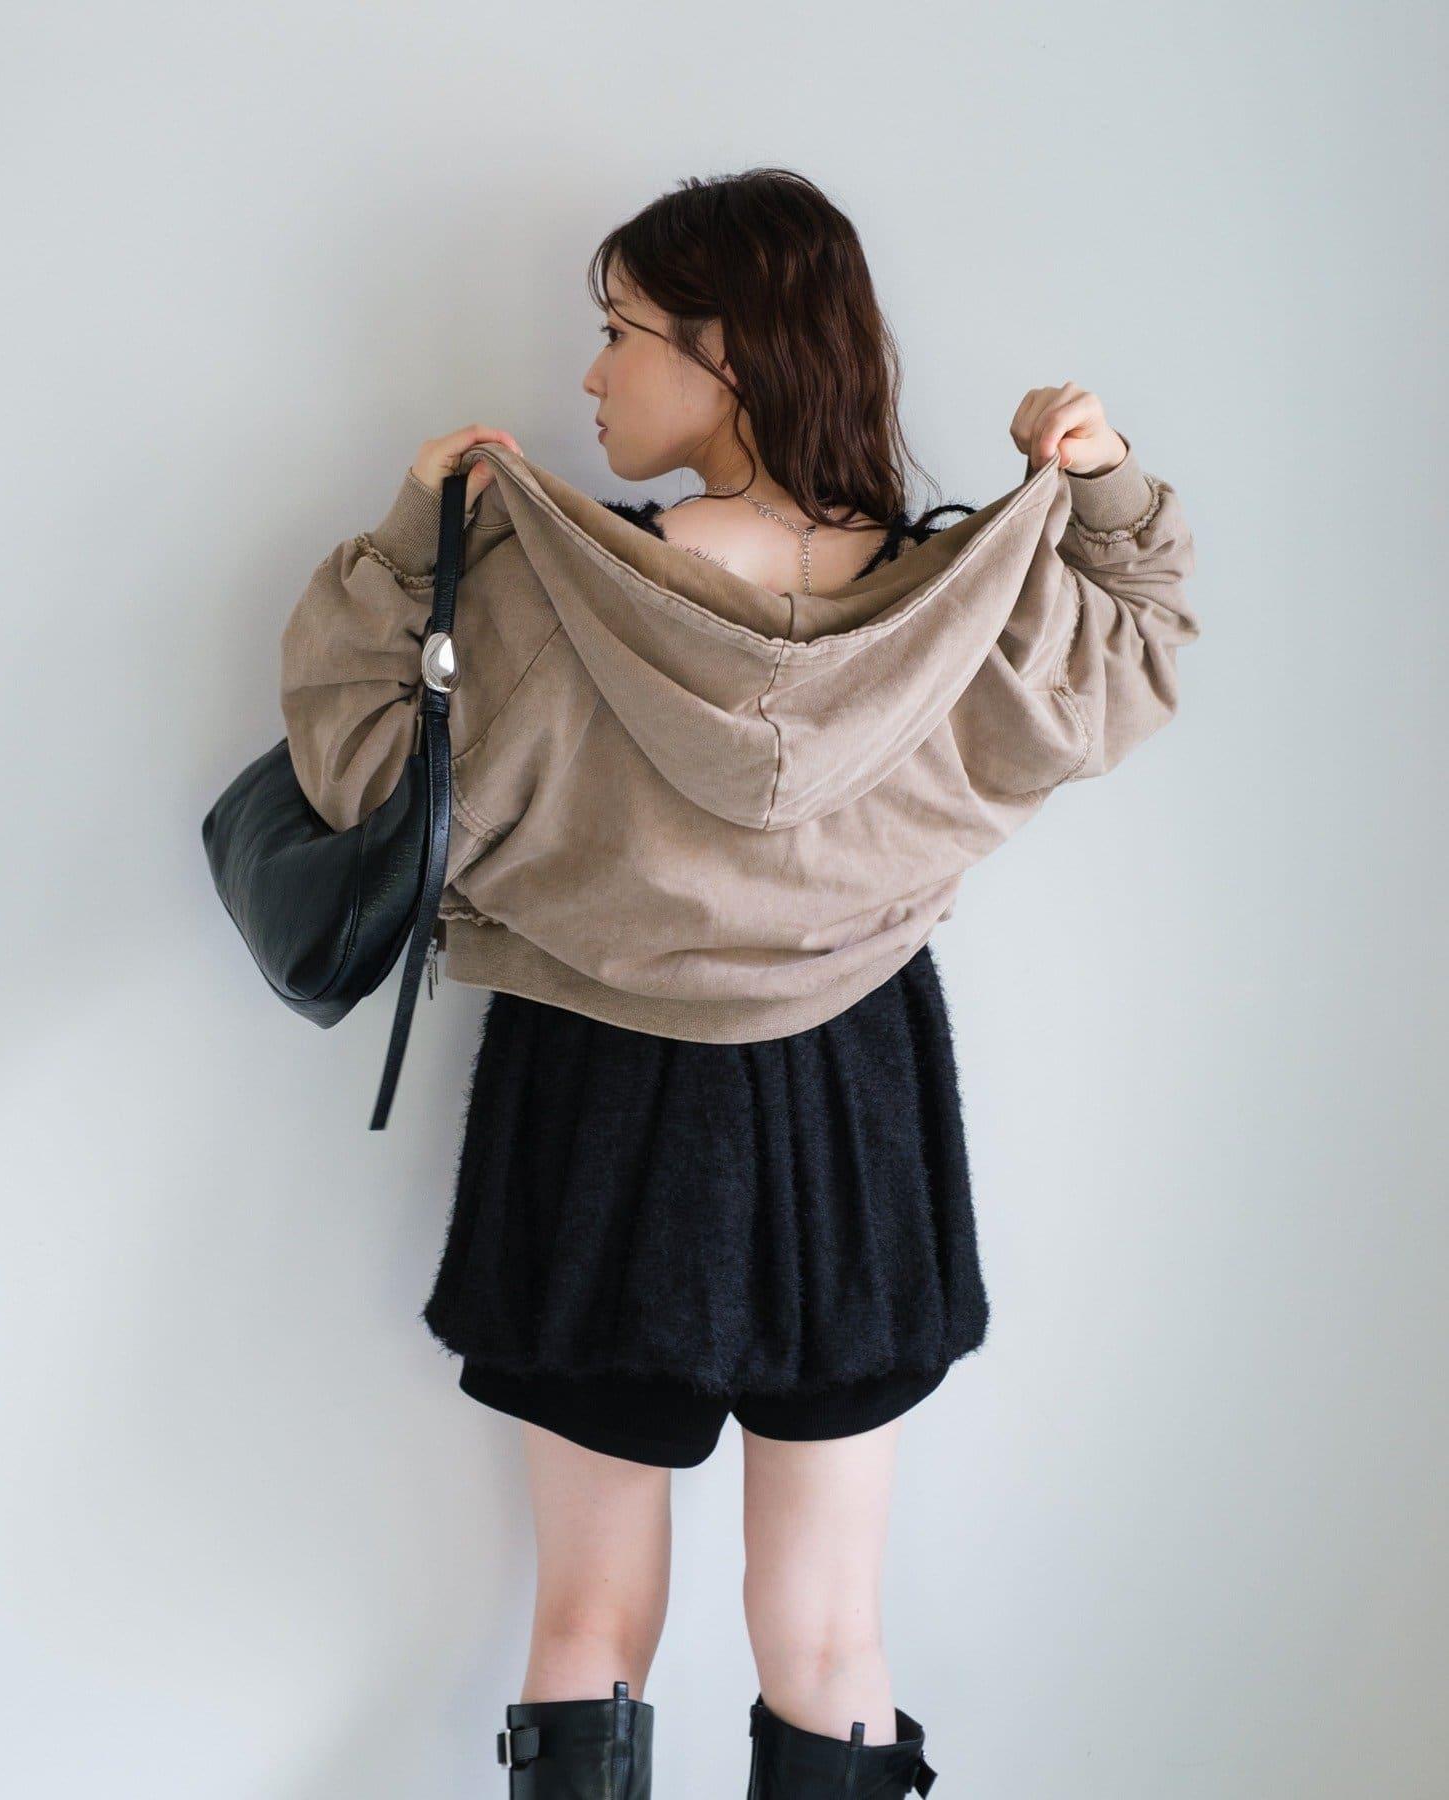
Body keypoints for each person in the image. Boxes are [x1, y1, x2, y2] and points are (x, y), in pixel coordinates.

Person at [277, 166, 1199, 1798]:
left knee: (587, 1618)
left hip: (598, 1094)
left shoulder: (558, 594)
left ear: (728, 353)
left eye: (619, 331)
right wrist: (1101, 479)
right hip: (855, 1101)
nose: (590, 372)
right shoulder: (949, 610)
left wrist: (415, 541)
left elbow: (359, 769)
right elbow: (1132, 646)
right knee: (831, 1637)